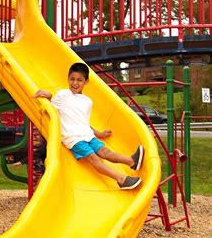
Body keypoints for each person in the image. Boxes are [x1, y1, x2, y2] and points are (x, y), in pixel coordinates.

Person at [34, 62, 143, 190]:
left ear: (86, 82)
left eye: (79, 80)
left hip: (87, 135)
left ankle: (131, 162)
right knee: (94, 158)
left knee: (105, 152)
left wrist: (99, 134)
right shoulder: (62, 95)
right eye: (72, 79)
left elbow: (84, 122)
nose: (75, 83)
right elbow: (51, 106)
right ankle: (121, 179)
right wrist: (49, 95)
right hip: (73, 138)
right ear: (68, 79)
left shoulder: (87, 101)